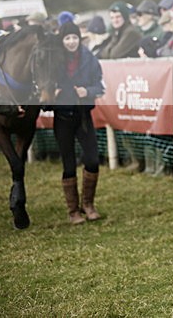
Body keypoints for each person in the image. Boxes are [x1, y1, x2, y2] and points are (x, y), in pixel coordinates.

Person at [52, 22, 105, 224]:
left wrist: (87, 92)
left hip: (83, 116)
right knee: (69, 164)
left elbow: (99, 85)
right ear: (62, 40)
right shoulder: (54, 60)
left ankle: (88, 204)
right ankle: (73, 211)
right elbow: (42, 88)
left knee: (92, 160)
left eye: (74, 37)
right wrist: (52, 96)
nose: (71, 42)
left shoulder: (89, 59)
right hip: (63, 117)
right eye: (67, 38)